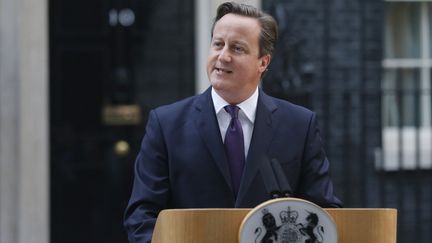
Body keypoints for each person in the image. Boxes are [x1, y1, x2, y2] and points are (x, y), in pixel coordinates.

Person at [123, 2, 342, 242]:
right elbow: (141, 217)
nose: (223, 56)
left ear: (263, 62)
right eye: (218, 44)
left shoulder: (300, 124)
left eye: (237, 48)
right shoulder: (166, 124)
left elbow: (324, 212)